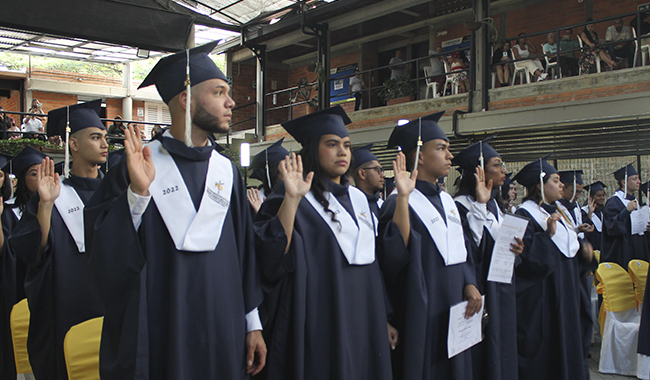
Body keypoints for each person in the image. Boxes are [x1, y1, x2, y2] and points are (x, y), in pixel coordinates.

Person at [83, 42, 265, 380]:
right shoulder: (137, 165)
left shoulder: (227, 173)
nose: (231, 102)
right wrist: (138, 194)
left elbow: (245, 255)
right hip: (160, 330)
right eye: (219, 92)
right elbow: (104, 252)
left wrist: (252, 324)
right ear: (186, 99)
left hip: (223, 330)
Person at [254, 106, 392, 380]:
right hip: (320, 320)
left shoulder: (359, 199)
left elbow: (372, 266)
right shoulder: (292, 192)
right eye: (332, 144)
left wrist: (384, 316)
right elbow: (268, 256)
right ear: (313, 150)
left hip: (365, 318)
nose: (343, 152)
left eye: (347, 145)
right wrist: (292, 201)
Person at [9, 100, 109, 380]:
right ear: (73, 145)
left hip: (110, 306)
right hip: (65, 304)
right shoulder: (53, 192)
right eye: (95, 137)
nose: (104, 144)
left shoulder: (115, 192)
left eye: (104, 137)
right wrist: (45, 204)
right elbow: (34, 253)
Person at [378, 111, 482, 380]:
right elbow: (391, 260)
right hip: (420, 314)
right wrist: (403, 197)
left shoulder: (448, 202)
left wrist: (469, 282)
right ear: (420, 156)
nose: (450, 155)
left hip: (454, 307)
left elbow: (463, 250)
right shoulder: (398, 203)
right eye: (442, 148)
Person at [513, 157, 592, 380]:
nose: (561, 186)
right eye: (556, 181)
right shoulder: (523, 215)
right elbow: (525, 263)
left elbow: (567, 255)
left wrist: (584, 256)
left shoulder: (558, 213)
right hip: (544, 303)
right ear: (540, 185)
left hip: (566, 296)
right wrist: (546, 235)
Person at [452, 138, 524, 380]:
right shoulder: (459, 208)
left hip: (502, 291)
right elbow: (469, 253)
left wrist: (516, 249)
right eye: (497, 164)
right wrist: (480, 207)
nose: (504, 170)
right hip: (480, 291)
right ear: (479, 171)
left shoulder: (496, 206)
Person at [0, 146, 47, 380]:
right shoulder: (8, 213)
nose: (39, 179)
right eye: (32, 173)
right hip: (17, 289)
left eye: (42, 172)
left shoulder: (52, 209)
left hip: (45, 289)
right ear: (21, 178)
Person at [601, 163, 650, 269]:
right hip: (623, 251)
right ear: (624, 182)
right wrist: (626, 211)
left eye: (638, 179)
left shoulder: (634, 200)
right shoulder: (614, 202)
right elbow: (611, 226)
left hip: (638, 248)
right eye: (635, 179)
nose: (639, 182)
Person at [247, 138, 289, 214]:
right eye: (285, 165)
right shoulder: (256, 200)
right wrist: (260, 214)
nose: (290, 169)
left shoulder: (293, 195)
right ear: (273, 171)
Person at [351, 143, 385, 217]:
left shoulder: (382, 205)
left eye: (382, 170)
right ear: (362, 173)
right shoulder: (350, 204)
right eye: (378, 170)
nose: (383, 175)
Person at [581, 181, 606, 252]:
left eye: (603, 195)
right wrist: (590, 213)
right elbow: (586, 230)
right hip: (591, 248)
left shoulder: (604, 211)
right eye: (599, 195)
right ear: (591, 197)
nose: (602, 198)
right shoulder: (583, 211)